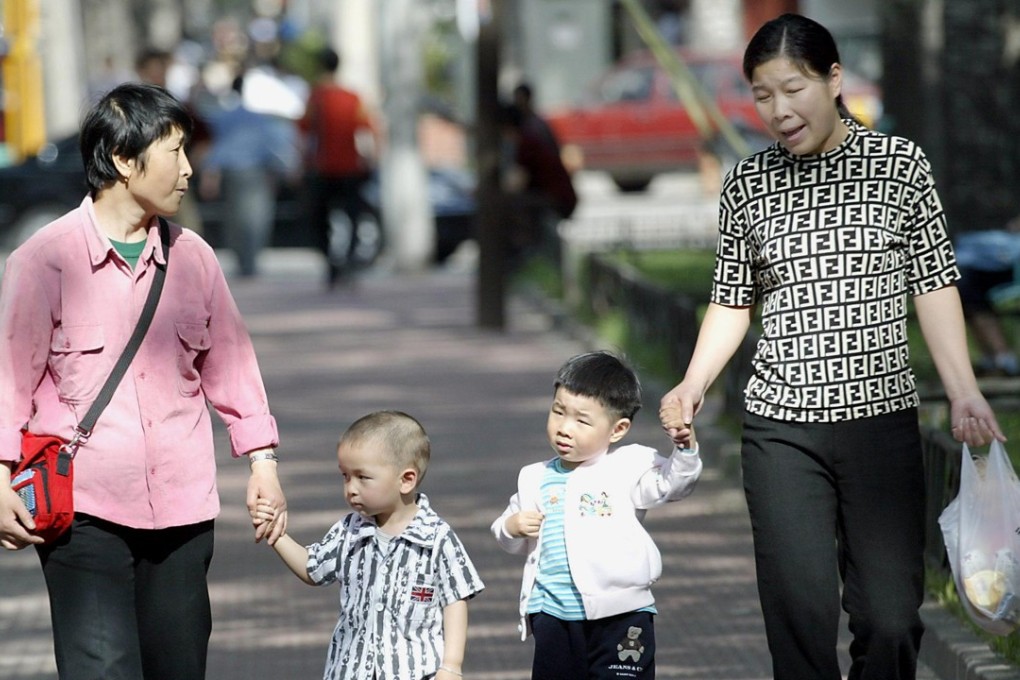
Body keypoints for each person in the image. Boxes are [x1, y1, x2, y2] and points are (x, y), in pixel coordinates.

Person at [658, 14, 1005, 680]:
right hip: (781, 428)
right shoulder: (747, 185)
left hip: (881, 423)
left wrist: (964, 388)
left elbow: (934, 284)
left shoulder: (900, 167)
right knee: (800, 618)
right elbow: (733, 297)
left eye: (793, 89)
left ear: (834, 78)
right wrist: (693, 383)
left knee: (891, 619)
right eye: (763, 96)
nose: (779, 111)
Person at [0, 82, 288, 680]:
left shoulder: (195, 259)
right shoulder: (42, 261)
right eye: (174, 152)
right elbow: (8, 379)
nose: (187, 170)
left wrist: (262, 465)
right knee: (101, 671)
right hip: (84, 513)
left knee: (177, 670)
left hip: (183, 514)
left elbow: (233, 368)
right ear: (125, 161)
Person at [491, 351, 702, 680]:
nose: (564, 428)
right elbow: (507, 529)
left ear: (617, 429)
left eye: (582, 420)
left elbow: (671, 485)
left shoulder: (627, 466)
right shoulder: (535, 476)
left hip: (622, 616)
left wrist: (685, 450)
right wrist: (511, 526)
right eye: (558, 412)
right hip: (553, 615)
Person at [258, 411, 484, 680]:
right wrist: (277, 534)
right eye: (345, 476)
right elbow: (311, 568)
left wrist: (451, 665)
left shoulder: (437, 537)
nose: (351, 488)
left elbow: (455, 599)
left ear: (406, 480)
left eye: (363, 477)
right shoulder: (349, 531)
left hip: (415, 672)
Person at [199, 73, 300, 278]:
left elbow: (217, 147)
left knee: (234, 218)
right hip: (256, 173)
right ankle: (251, 261)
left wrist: (210, 173)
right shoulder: (261, 119)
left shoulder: (223, 116)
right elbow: (273, 147)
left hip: (232, 174)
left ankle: (242, 261)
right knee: (257, 218)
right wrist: (287, 169)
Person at [299, 46, 378, 287]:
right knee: (354, 216)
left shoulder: (315, 97)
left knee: (319, 218)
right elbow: (369, 130)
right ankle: (348, 260)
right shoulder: (353, 97)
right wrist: (372, 159)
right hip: (350, 167)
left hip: (322, 168)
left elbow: (302, 132)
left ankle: (333, 262)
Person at [954, 225, 1020, 377]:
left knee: (967, 289)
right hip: (982, 258)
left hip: (1008, 259)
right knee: (963, 289)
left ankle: (1001, 358)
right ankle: (997, 358)